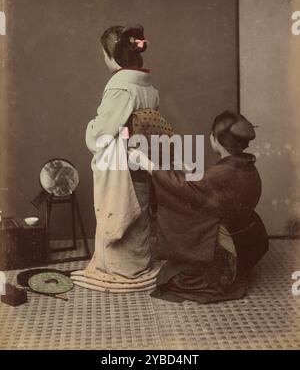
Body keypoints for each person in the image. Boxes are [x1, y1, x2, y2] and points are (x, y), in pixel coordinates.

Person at [129, 111, 269, 303]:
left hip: (225, 248)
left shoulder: (224, 172)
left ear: (215, 139)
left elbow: (188, 189)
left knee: (171, 280)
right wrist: (187, 168)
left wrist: (147, 163)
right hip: (245, 241)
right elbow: (210, 189)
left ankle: (223, 271)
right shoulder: (246, 166)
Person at [71, 24, 161, 292]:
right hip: (142, 156)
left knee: (121, 209)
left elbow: (102, 132)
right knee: (139, 207)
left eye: (104, 55)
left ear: (113, 57)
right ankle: (137, 263)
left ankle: (122, 269)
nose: (104, 60)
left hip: (121, 161)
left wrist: (90, 128)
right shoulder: (148, 87)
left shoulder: (120, 88)